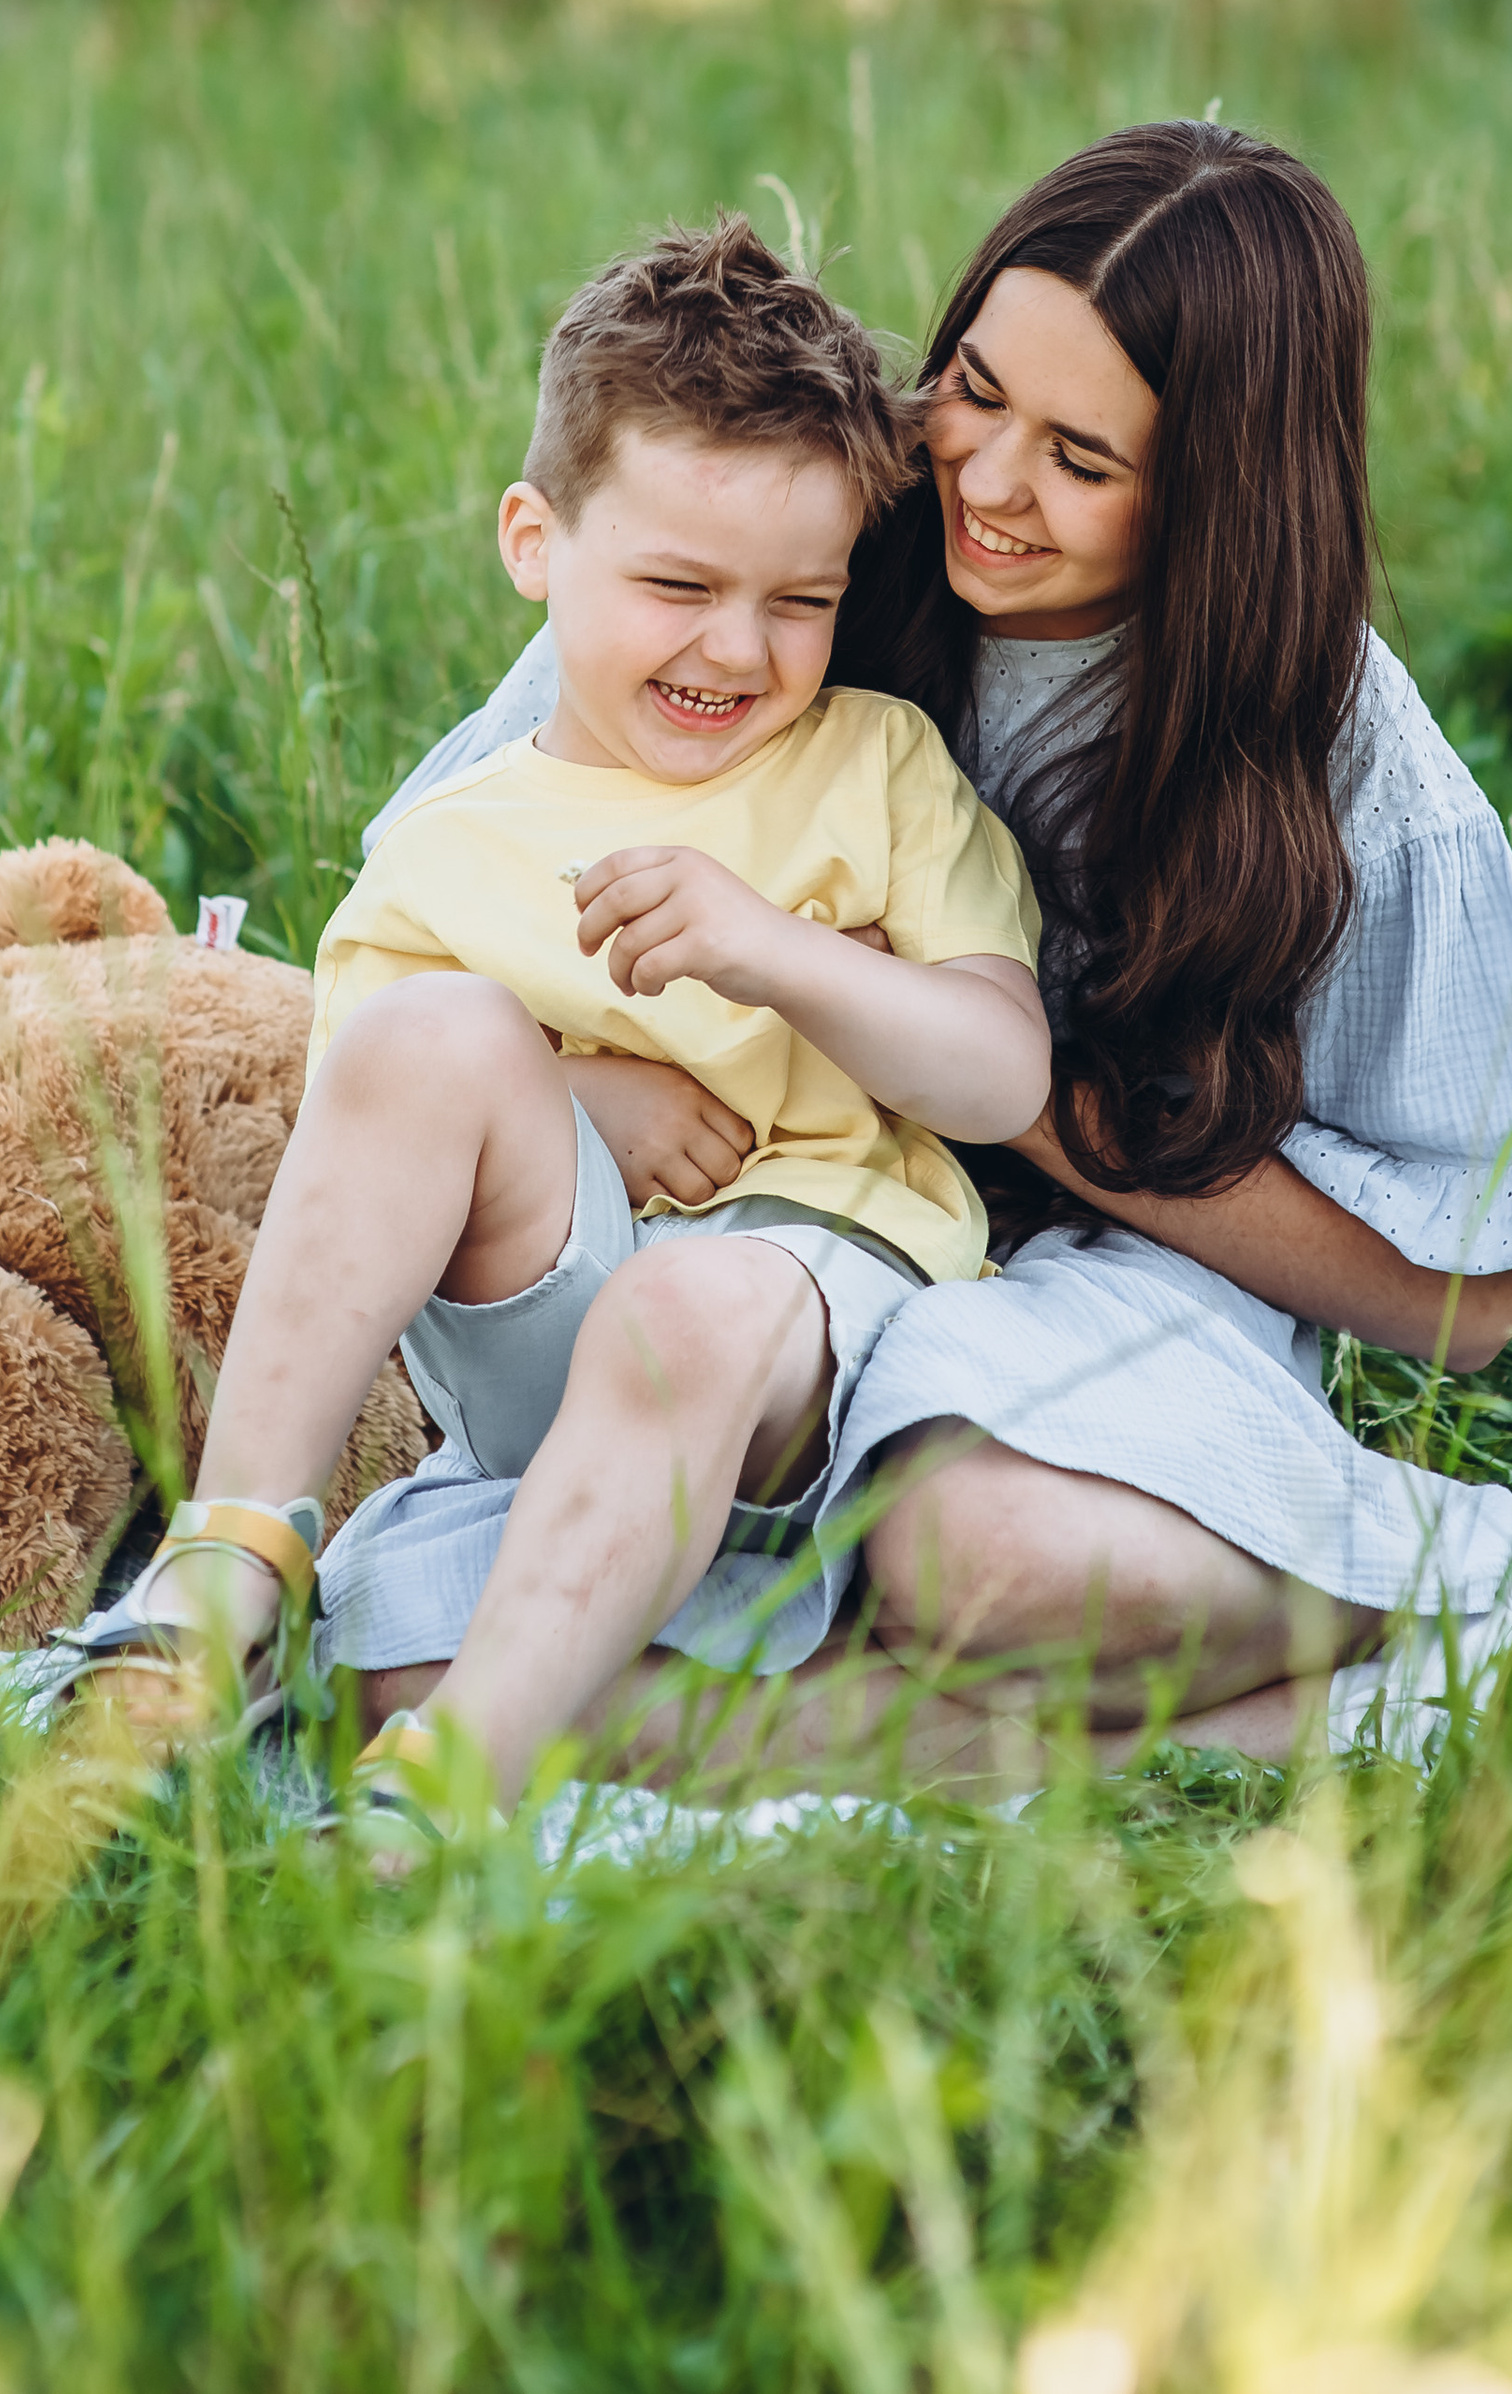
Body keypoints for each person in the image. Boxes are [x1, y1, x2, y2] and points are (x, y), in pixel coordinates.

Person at [319, 123, 1512, 1773]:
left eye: (1083, 461)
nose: (989, 481)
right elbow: (439, 925)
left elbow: (1464, 1307)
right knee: (398, 1665)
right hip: (758, 1252)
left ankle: (1399, 1603)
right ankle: (1126, 1733)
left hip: (1118, 1297)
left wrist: (971, 1062)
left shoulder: (1335, 747)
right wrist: (588, 1072)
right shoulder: (791, 561)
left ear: (1219, 498)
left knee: (986, 1560)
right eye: (974, 388)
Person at [68, 217, 1049, 1819]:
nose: (737, 647)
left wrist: (777, 955)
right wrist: (574, 1092)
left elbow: (1004, 1075)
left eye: (799, 601)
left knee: (697, 1313)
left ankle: (458, 1775)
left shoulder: (871, 763)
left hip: (796, 1331)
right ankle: (229, 1565)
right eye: (678, 584)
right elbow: (367, 1144)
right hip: (553, 1315)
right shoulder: (454, 840)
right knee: (425, 1038)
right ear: (535, 540)